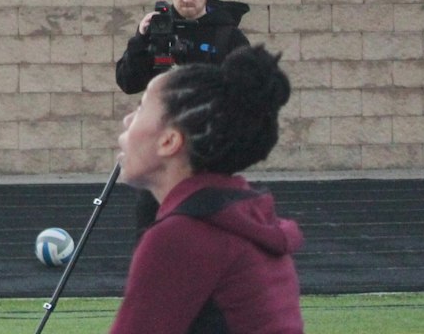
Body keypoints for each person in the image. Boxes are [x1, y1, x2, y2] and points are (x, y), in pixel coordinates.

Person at [111, 45, 300, 334]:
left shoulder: (181, 238)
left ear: (169, 142)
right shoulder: (247, 219)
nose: (127, 120)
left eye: (140, 109)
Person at [115, 0, 251, 96]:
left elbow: (250, 92)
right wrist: (140, 39)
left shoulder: (228, 35)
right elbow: (128, 84)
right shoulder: (158, 29)